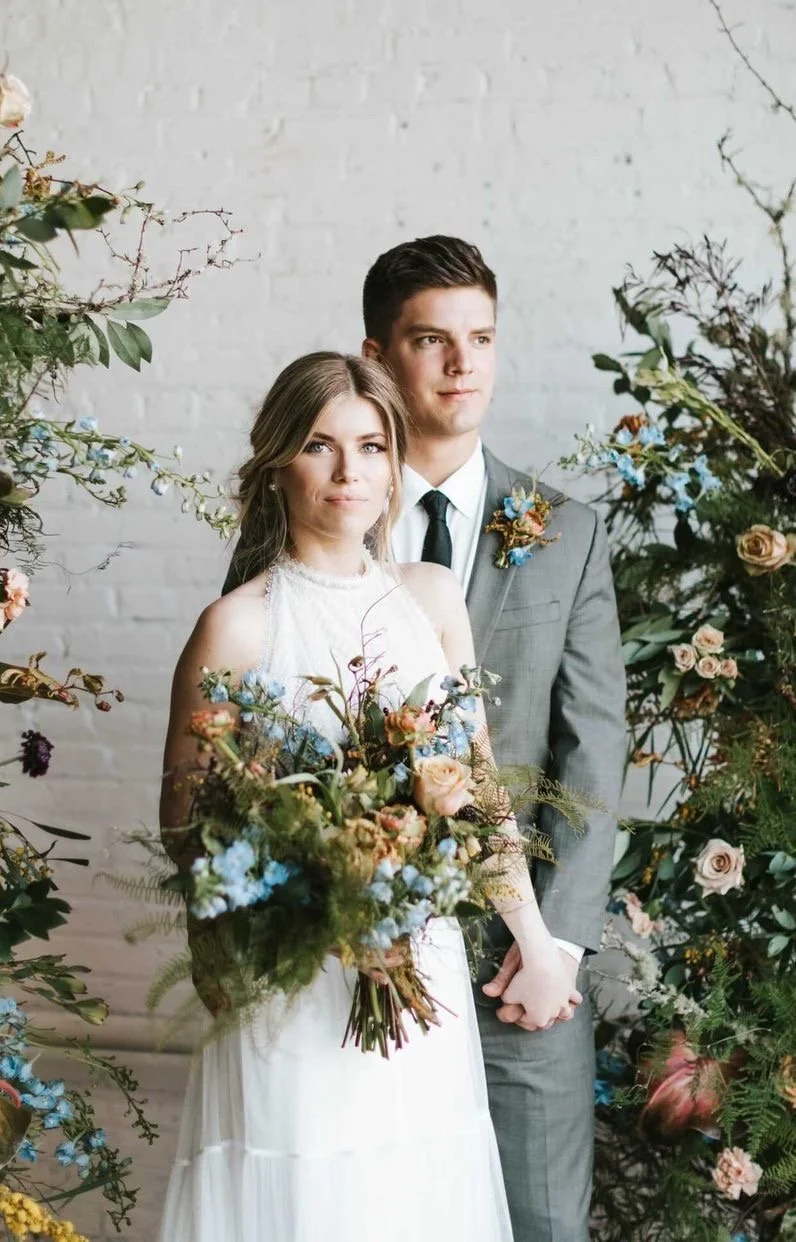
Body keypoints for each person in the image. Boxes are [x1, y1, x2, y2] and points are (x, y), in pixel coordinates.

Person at [160, 352, 579, 1242]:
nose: (350, 473)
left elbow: (477, 786)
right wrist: (284, 905)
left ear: (394, 460)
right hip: (294, 976)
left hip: (418, 970)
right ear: (278, 462)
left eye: (371, 446)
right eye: (320, 446)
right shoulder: (237, 623)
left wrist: (534, 940)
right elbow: (186, 820)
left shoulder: (428, 596)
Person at [359, 236, 628, 1241]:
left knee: (543, 1222)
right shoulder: (313, 516)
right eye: (432, 341)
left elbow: (594, 751)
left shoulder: (567, 530)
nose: (464, 365)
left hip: (521, 962)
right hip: (362, 952)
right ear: (379, 354)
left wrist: (554, 940)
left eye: (481, 339)